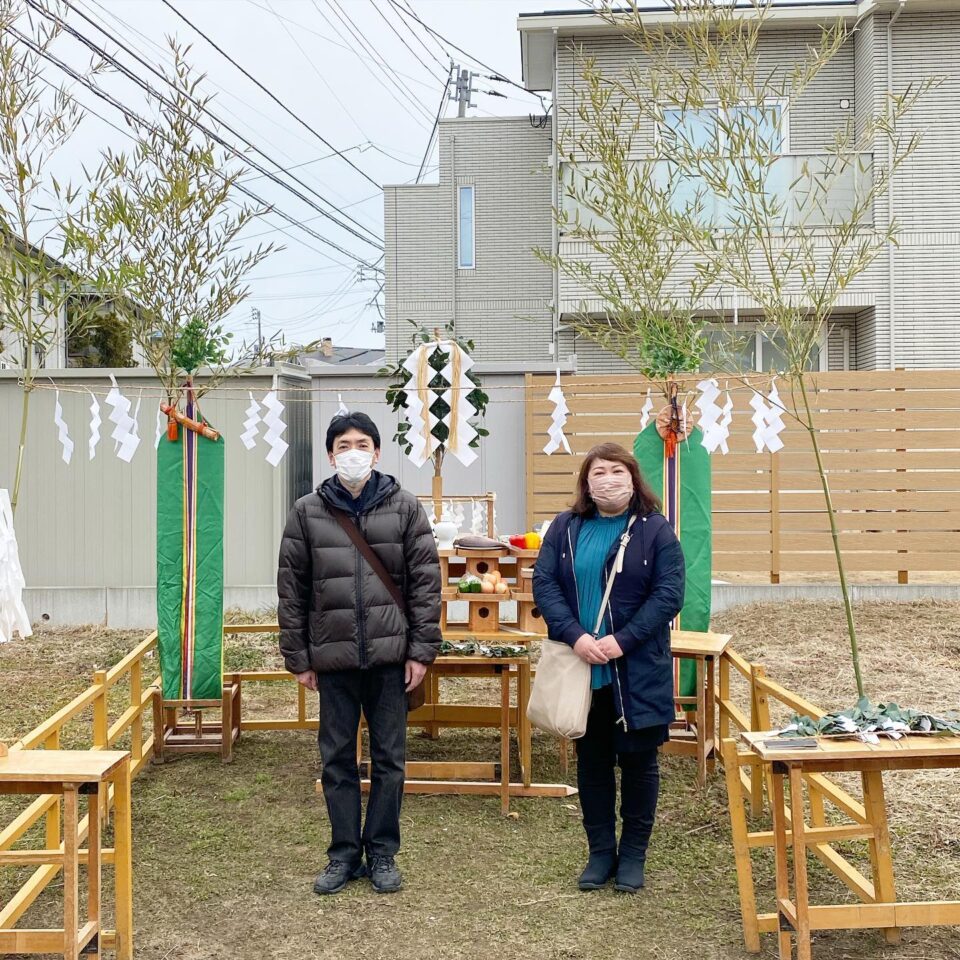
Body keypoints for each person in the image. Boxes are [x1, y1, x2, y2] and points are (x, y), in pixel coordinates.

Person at [277, 412, 441, 895]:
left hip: (392, 657)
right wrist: (299, 656)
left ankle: (383, 852)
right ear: (331, 455)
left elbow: (426, 586)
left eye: (362, 443)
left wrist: (421, 651)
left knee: (391, 759)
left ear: (376, 451)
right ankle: (343, 853)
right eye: (344, 444)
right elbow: (292, 589)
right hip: (334, 658)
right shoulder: (307, 511)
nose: (353, 451)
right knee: (337, 760)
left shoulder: (405, 507)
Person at [532, 442, 685, 893]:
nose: (607, 480)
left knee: (639, 764)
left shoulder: (655, 530)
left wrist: (622, 641)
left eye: (616, 471)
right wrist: (576, 636)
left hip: (636, 668)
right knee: (592, 763)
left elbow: (669, 594)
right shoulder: (565, 527)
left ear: (633, 478)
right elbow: (545, 584)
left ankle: (634, 855)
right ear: (586, 482)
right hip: (583, 668)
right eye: (598, 473)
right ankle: (601, 853)